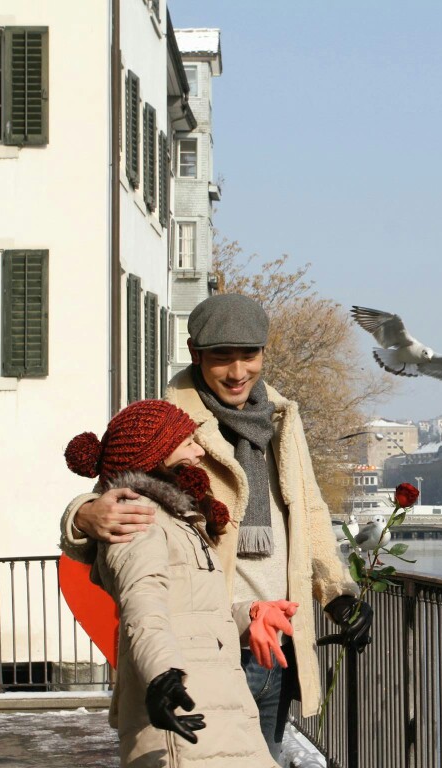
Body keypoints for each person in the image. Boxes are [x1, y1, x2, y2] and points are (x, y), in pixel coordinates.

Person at [61, 293, 372, 759]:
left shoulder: (281, 418)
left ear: (264, 354)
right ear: (196, 355)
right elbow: (117, 475)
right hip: (209, 645)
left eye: (249, 356)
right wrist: (83, 515)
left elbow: (307, 509)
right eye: (222, 358)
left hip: (278, 638)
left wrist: (335, 592)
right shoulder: (169, 419)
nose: (237, 372)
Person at [63, 399, 296, 766]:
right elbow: (144, 607)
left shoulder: (178, 519)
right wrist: (162, 678)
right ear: (156, 453)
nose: (200, 451)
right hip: (185, 710)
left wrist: (248, 614)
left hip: (215, 705)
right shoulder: (139, 519)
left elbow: (189, 611)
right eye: (188, 441)